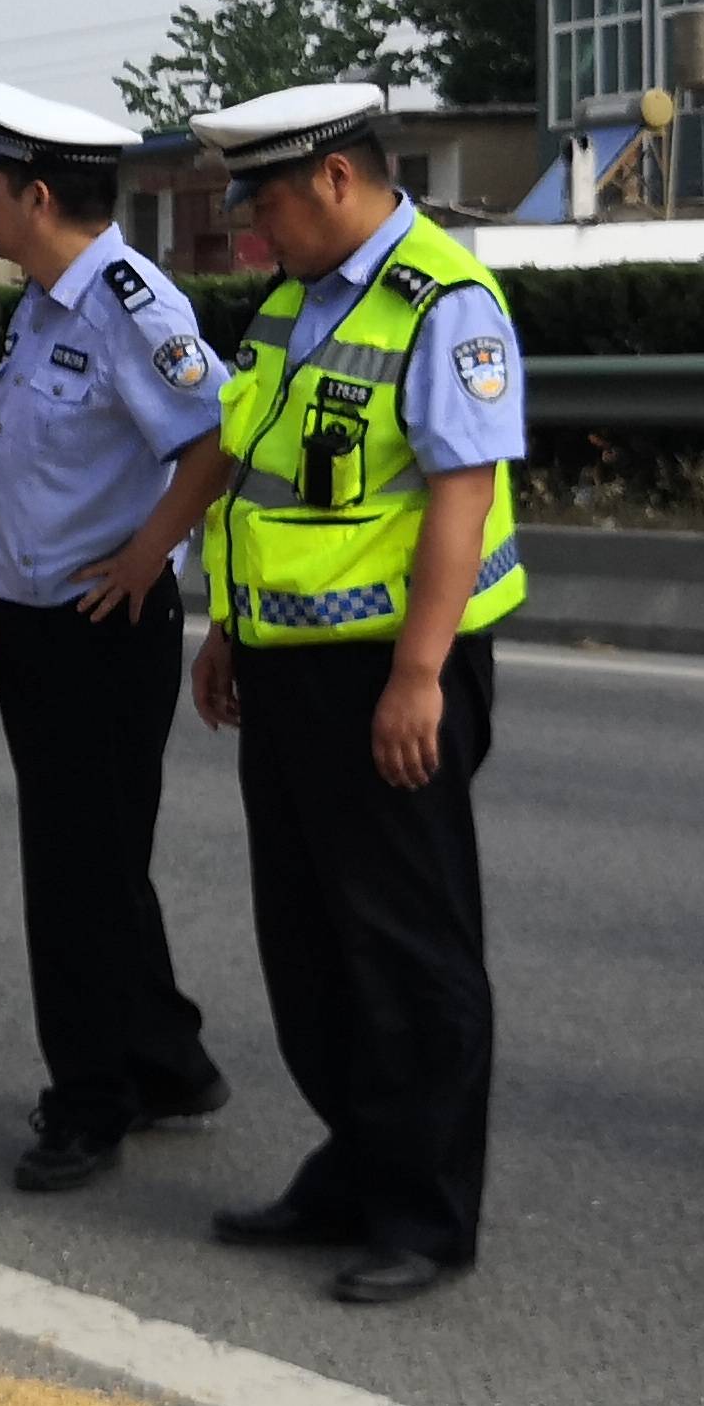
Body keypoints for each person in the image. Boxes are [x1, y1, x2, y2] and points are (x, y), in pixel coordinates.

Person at [183, 82, 528, 1308]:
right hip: (285, 664)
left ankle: (426, 1213)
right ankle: (354, 1160)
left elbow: (461, 496)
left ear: (335, 177)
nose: (251, 232)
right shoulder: (293, 305)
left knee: (407, 944)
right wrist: (228, 625)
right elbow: (261, 479)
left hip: (393, 669)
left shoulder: (445, 302)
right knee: (309, 934)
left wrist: (421, 675)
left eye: (264, 201)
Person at [0, 83, 234, 1192]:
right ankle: (166, 1059)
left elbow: (217, 434)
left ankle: (89, 1104)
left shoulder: (129, 303)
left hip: (102, 629)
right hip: (36, 620)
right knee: (100, 861)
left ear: (34, 195)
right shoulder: (42, 298)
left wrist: (147, 551)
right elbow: (35, 464)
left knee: (75, 875)